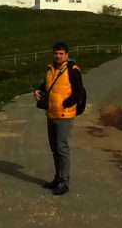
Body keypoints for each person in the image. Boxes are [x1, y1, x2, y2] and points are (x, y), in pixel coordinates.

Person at [33, 41, 84, 196]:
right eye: (56, 53)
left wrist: (65, 104)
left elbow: (78, 93)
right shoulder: (50, 70)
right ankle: (57, 178)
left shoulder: (73, 70)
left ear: (67, 55)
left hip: (64, 115)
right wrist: (37, 90)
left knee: (62, 148)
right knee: (54, 148)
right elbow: (46, 86)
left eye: (61, 53)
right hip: (51, 114)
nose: (58, 56)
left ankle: (64, 182)